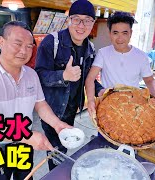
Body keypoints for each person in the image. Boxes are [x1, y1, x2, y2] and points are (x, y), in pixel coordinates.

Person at [0, 21, 72, 180]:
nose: (24, 51)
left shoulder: (31, 75)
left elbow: (40, 104)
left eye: (29, 46)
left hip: (23, 141)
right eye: (18, 43)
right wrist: (29, 136)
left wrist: (58, 125)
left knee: (25, 178)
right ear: (1, 42)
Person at [35, 0, 103, 170]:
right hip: (52, 109)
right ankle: (56, 172)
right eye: (77, 19)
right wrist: (63, 76)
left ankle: (59, 169)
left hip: (72, 108)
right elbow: (39, 75)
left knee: (64, 146)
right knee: (55, 150)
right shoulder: (52, 42)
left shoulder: (90, 48)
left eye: (87, 20)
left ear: (93, 23)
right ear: (69, 20)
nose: (82, 25)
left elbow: (88, 78)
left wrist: (101, 91)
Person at [85, 11, 155, 117]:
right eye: (115, 33)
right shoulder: (103, 53)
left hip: (132, 108)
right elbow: (90, 78)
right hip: (107, 106)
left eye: (124, 33)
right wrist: (91, 100)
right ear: (110, 33)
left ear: (131, 33)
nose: (120, 38)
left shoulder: (141, 56)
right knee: (103, 132)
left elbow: (149, 81)